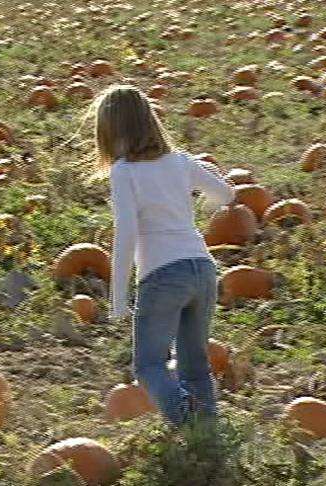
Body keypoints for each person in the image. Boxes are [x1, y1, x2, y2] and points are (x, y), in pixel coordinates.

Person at [95, 85, 235, 427]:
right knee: (195, 367)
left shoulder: (124, 171)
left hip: (162, 275)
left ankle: (186, 418)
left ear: (110, 132)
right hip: (202, 268)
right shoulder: (181, 162)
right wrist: (197, 213)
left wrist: (118, 298)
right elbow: (226, 193)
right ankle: (207, 440)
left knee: (148, 366)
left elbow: (126, 234)